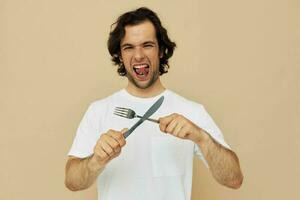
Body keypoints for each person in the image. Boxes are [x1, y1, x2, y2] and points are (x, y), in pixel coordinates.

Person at [65, 7, 243, 200]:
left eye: (147, 45)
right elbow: (72, 182)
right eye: (129, 47)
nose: (139, 55)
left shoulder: (192, 111)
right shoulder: (99, 111)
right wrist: (95, 161)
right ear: (120, 56)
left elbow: (234, 179)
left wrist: (201, 137)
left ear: (161, 50)